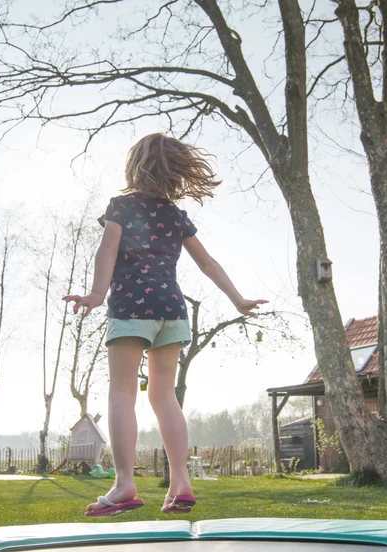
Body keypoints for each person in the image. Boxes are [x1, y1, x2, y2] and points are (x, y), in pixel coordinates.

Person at [63, 133, 266, 517]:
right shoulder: (176, 215)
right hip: (172, 310)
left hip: (131, 309)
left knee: (122, 392)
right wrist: (238, 299)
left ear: (135, 166)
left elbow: (106, 249)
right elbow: (208, 263)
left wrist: (94, 295)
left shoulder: (120, 207)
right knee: (164, 396)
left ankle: (124, 483)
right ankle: (181, 482)